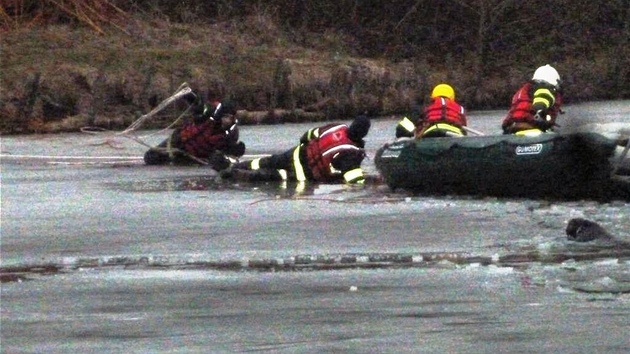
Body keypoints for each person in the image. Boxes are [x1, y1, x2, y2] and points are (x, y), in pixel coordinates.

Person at [227, 115, 371, 184]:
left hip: (296, 153)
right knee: (275, 176)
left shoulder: (336, 127)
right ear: (364, 133)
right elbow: (355, 181)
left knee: (267, 161)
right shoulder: (351, 152)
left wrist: (305, 145)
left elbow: (309, 134)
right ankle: (240, 176)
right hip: (305, 173)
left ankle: (235, 167)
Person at [143, 90, 246, 170]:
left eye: (229, 118)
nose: (226, 120)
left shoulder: (232, 134)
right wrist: (190, 97)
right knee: (150, 158)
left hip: (195, 156)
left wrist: (234, 151)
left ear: (233, 118)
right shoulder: (209, 114)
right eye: (224, 117)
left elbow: (225, 153)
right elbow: (199, 105)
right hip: (178, 140)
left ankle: (174, 160)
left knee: (178, 164)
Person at [501, 64, 563, 136]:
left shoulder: (524, 90)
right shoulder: (544, 88)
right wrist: (541, 113)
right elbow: (541, 101)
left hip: (512, 129)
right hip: (531, 128)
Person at [395, 83, 467, 139]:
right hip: (455, 136)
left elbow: (401, 129)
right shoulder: (460, 109)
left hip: (430, 135)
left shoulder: (426, 106)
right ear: (452, 97)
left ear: (433, 96)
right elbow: (464, 131)